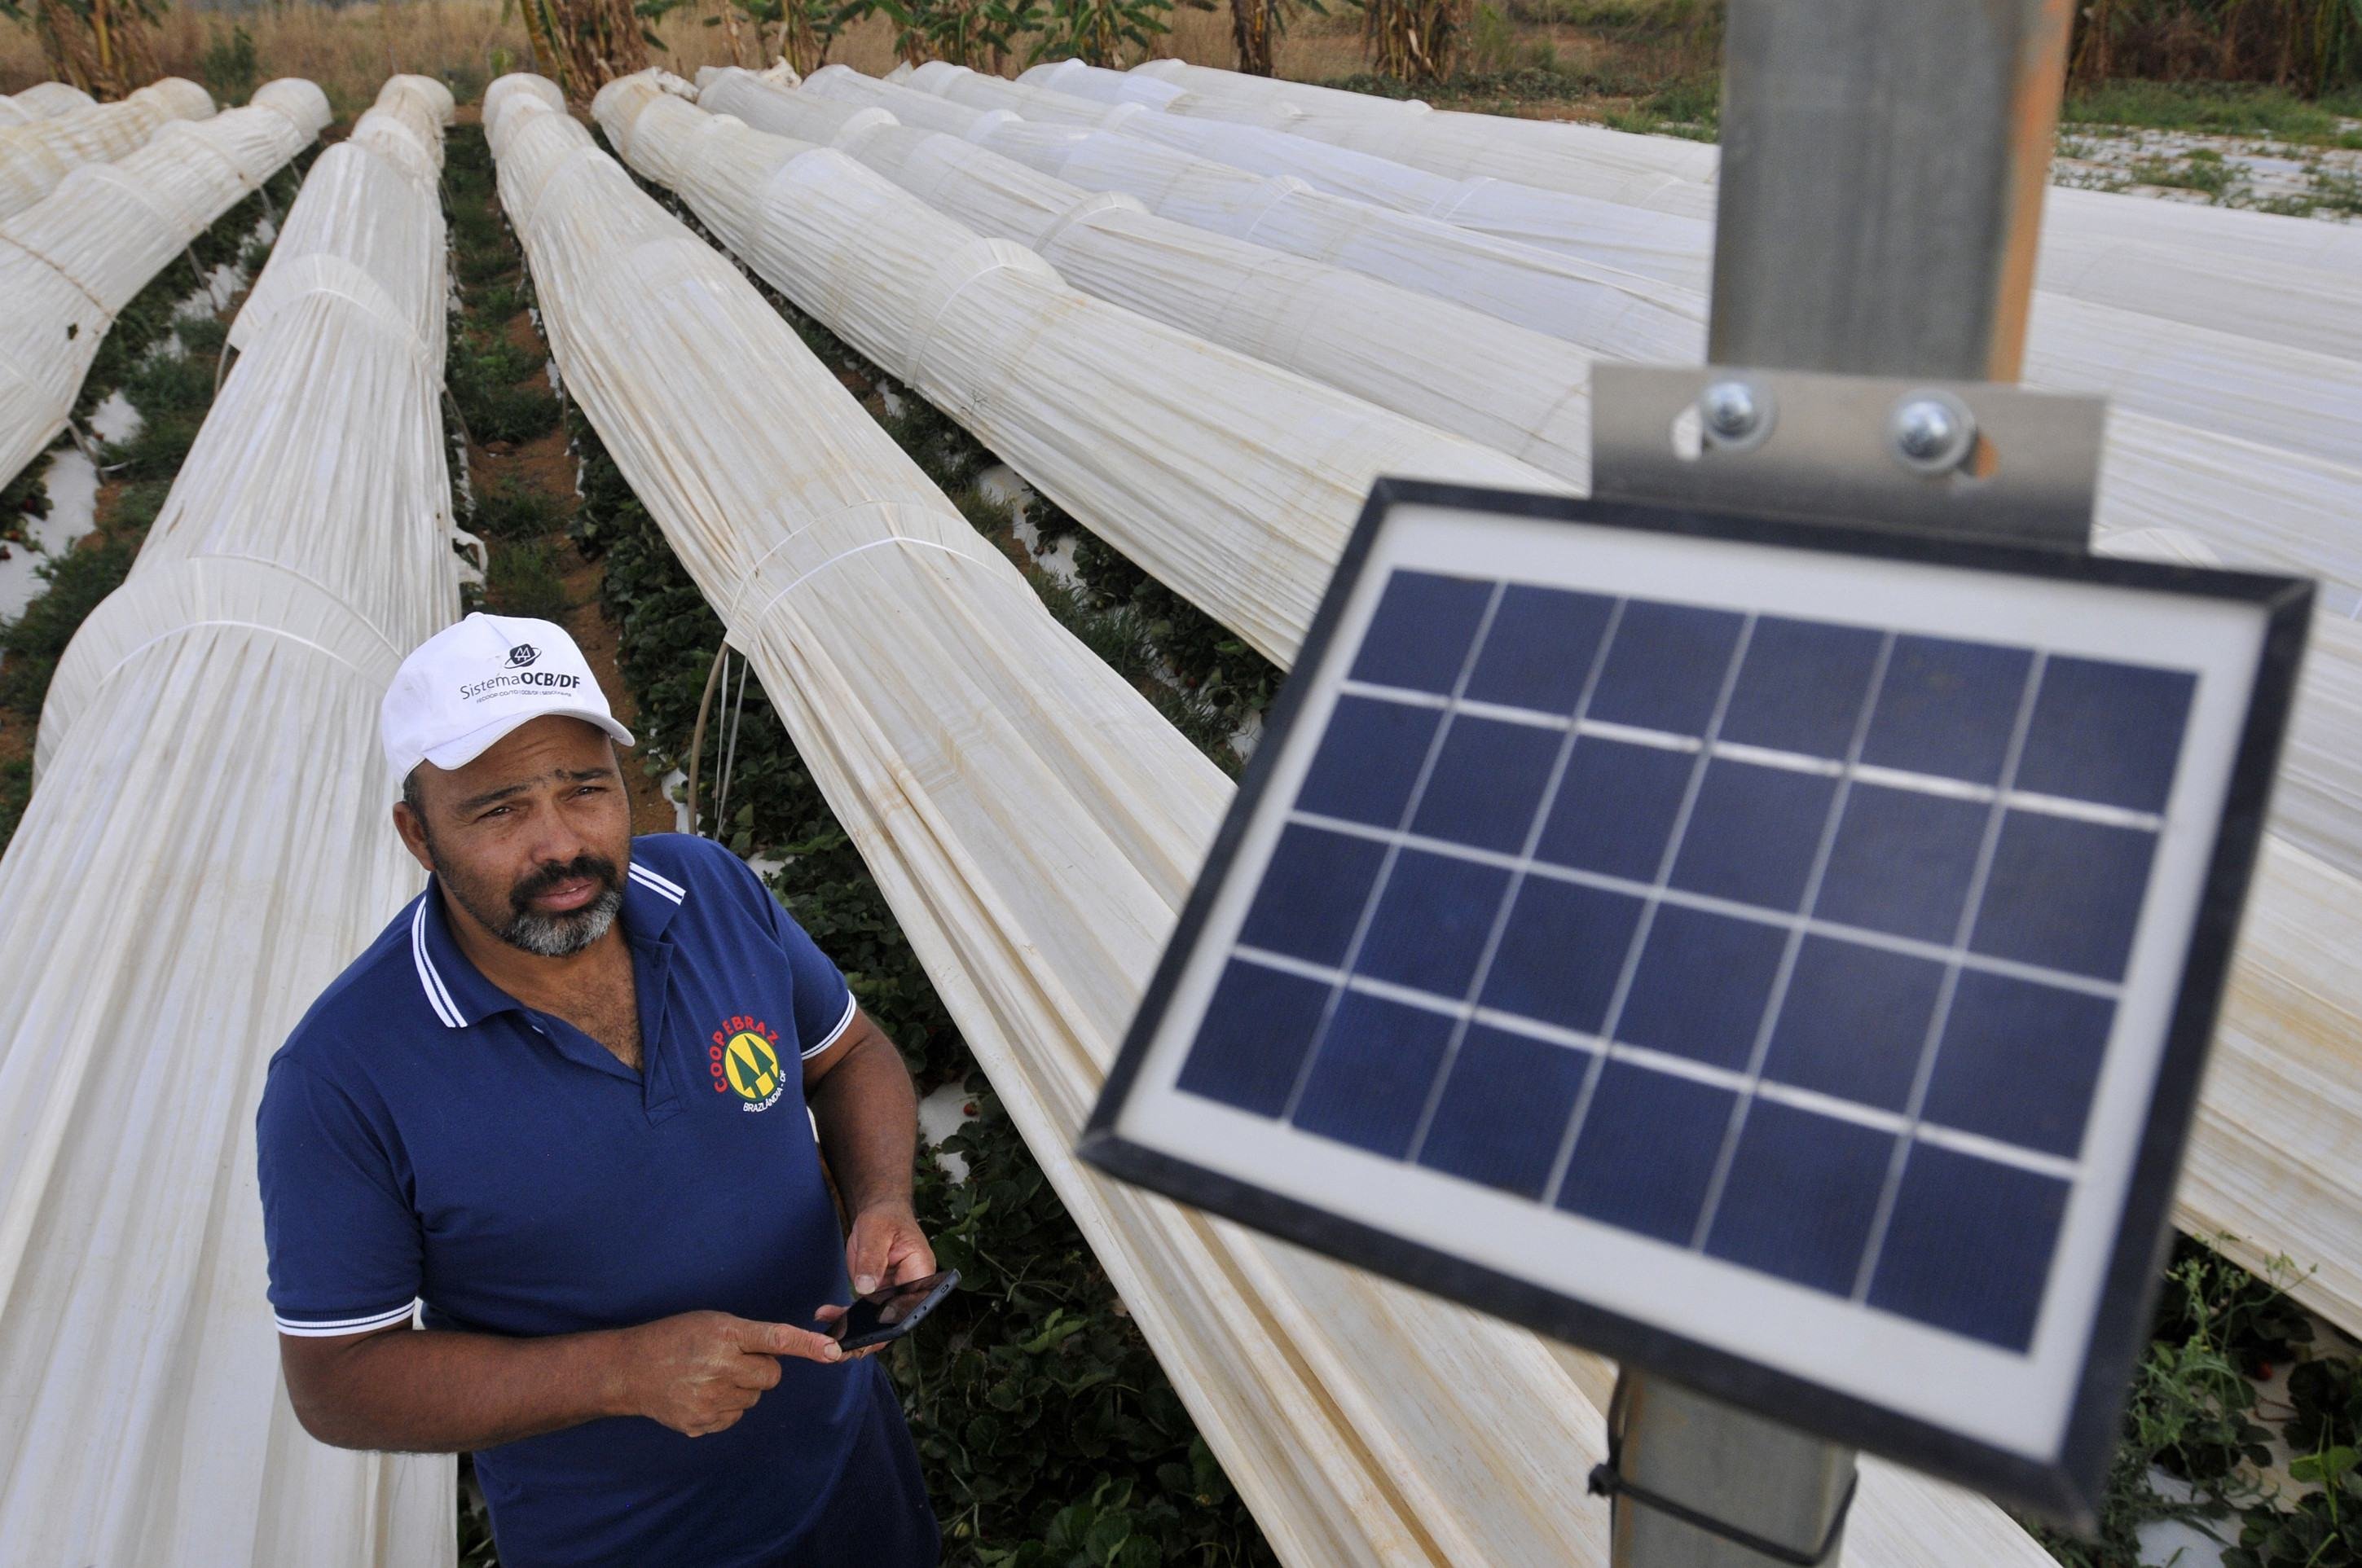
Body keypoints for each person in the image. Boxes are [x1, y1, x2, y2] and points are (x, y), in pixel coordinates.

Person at [255, 613, 940, 1566]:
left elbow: (850, 1052)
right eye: (498, 810)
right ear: (418, 834)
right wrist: (622, 1370)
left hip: (849, 1467)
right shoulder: (341, 1076)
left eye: (585, 789)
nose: (559, 844)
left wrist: (880, 1198)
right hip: (626, 1541)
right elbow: (336, 1379)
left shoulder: (712, 891)